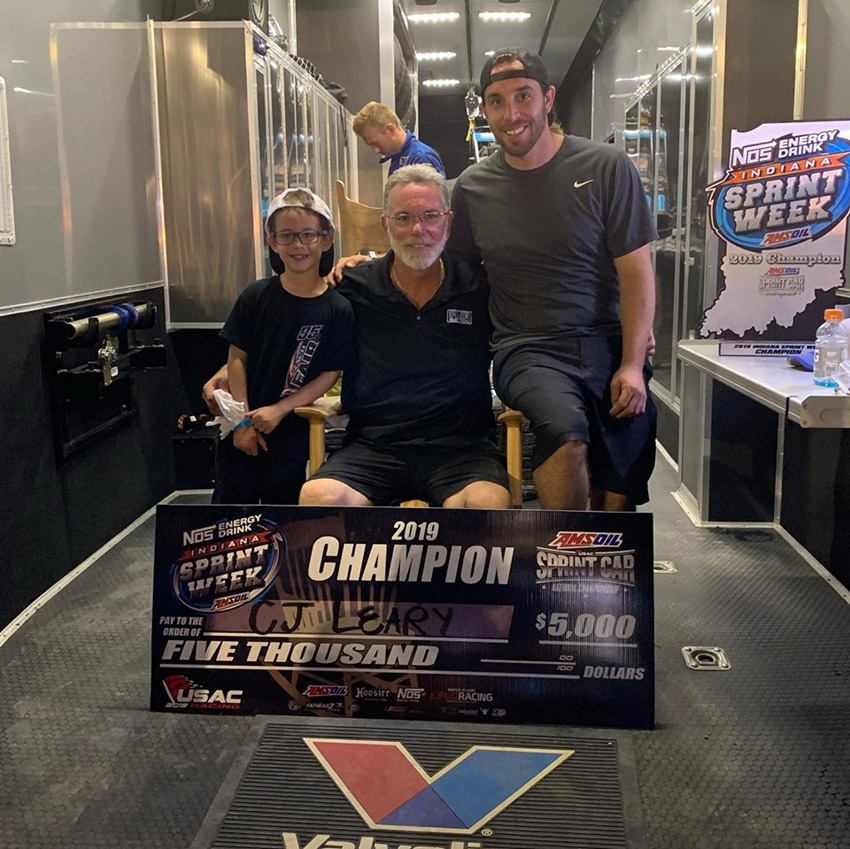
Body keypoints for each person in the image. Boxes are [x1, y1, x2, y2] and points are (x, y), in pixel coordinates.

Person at [447, 48, 658, 511]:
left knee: (625, 453)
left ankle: (605, 549)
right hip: (527, 348)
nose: (511, 113)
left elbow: (637, 271)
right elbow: (456, 275)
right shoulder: (471, 187)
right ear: (485, 110)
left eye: (523, 96)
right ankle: (569, 548)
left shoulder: (607, 167)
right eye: (497, 101)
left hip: (607, 341)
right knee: (566, 433)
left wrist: (630, 360)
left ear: (548, 98)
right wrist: (366, 268)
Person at [299, 164, 510, 508]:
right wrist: (235, 362)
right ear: (386, 225)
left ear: (449, 222)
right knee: (319, 498)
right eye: (403, 217)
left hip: (462, 449)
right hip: (373, 447)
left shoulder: (480, 285)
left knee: (486, 505)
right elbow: (300, 333)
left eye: (430, 216)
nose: (418, 229)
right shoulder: (353, 286)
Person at [210, 187, 355, 504]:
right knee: (230, 519)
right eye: (287, 235)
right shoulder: (255, 296)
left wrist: (280, 409)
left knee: (284, 519)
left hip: (291, 433)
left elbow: (330, 373)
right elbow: (237, 357)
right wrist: (242, 421)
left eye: (308, 235)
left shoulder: (338, 309)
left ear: (326, 239)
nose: (298, 245)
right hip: (241, 430)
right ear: (272, 241)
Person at [352, 101, 446, 177]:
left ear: (390, 130)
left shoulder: (421, 158)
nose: (375, 150)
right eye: (370, 145)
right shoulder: (399, 158)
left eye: (376, 143)